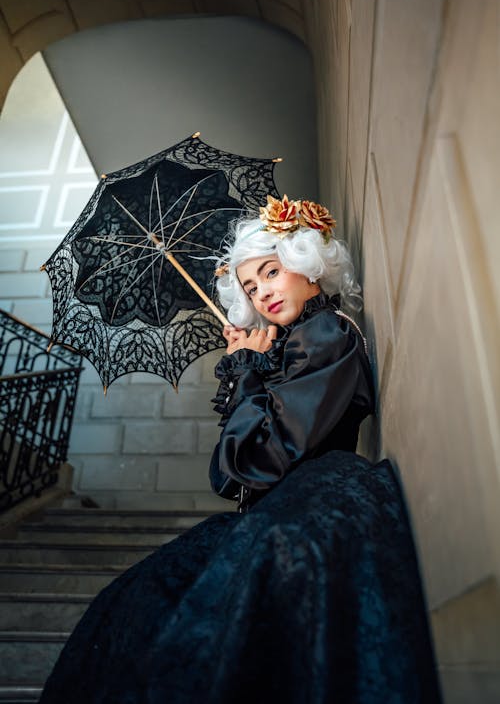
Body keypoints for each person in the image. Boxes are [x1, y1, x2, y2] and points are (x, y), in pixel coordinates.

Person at [40, 194, 442, 703]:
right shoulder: (291, 344)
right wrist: (250, 366)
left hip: (315, 496)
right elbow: (232, 475)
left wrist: (249, 372)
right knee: (132, 605)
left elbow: (254, 460)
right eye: (251, 286)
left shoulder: (324, 335)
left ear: (306, 265)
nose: (263, 293)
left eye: (272, 272)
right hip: (285, 500)